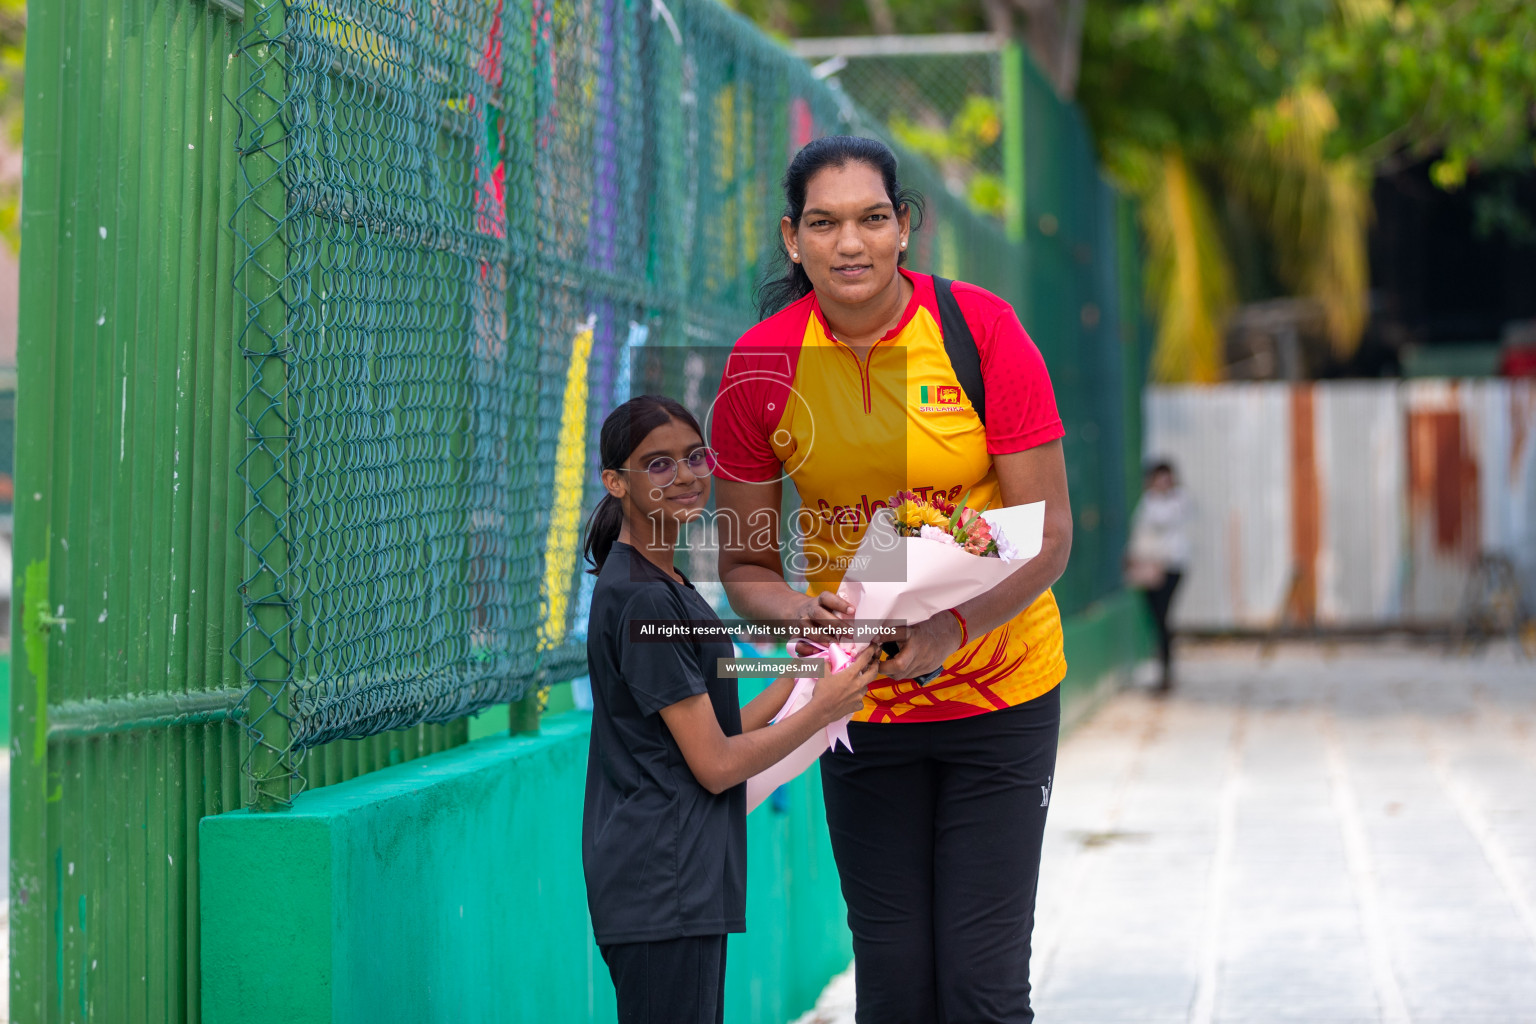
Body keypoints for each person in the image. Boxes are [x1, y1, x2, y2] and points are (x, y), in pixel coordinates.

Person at [710, 136, 1073, 1023]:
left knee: (982, 988)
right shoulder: (760, 367)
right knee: (897, 981)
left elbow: (1048, 534)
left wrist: (949, 631)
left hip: (1003, 693)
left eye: (873, 218)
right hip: (858, 708)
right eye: (825, 223)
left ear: (904, 227)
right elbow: (747, 565)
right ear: (791, 239)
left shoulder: (980, 331)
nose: (852, 243)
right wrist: (804, 610)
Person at [581, 394, 880, 1024]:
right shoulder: (644, 601)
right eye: (657, 464)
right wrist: (822, 706)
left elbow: (707, 731)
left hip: (675, 878)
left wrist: (805, 669)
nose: (686, 475)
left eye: (695, 456)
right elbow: (716, 763)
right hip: (663, 884)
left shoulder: (663, 582)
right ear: (616, 482)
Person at [1126, 459, 1192, 693]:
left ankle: (1166, 672)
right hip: (1150, 567)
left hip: (1170, 567)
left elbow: (1160, 521)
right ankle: (1163, 670)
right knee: (1156, 619)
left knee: (1163, 618)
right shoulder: (1148, 501)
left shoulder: (1176, 501)